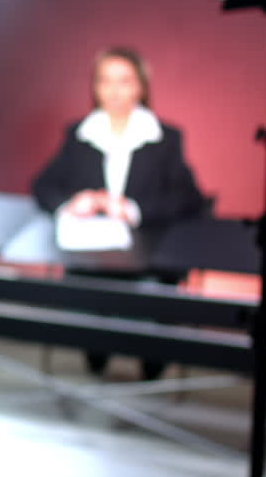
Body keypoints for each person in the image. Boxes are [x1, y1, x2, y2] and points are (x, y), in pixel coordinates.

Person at [31, 47, 206, 379]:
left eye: (124, 81)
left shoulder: (166, 138)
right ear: (94, 87)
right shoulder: (79, 134)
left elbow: (189, 198)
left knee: (151, 303)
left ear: (140, 86)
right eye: (105, 81)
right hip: (92, 256)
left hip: (147, 254)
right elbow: (43, 186)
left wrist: (133, 209)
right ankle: (97, 353)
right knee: (87, 304)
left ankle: (151, 364)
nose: (114, 91)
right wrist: (72, 202)